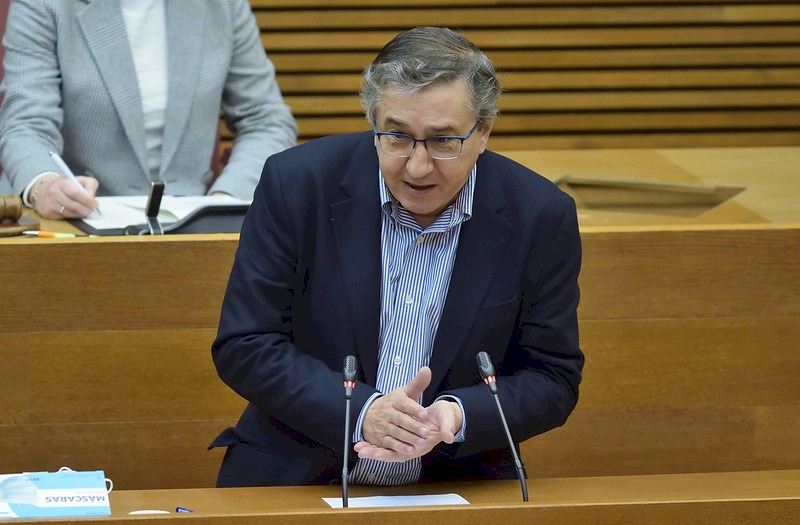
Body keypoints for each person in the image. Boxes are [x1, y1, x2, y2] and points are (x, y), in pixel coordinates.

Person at [210, 26, 583, 487]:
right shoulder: (298, 185)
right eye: (397, 137)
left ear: (483, 132)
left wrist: (458, 416)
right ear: (374, 125)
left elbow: (552, 377)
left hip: (458, 484)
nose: (418, 167)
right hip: (294, 477)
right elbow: (245, 343)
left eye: (443, 141)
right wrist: (363, 413)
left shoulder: (539, 216)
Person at [0, 0, 296, 219]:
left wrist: (224, 200)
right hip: (76, 222)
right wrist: (45, 185)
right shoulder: (45, 4)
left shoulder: (222, 5)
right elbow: (25, 124)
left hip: (194, 223)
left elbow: (267, 120)